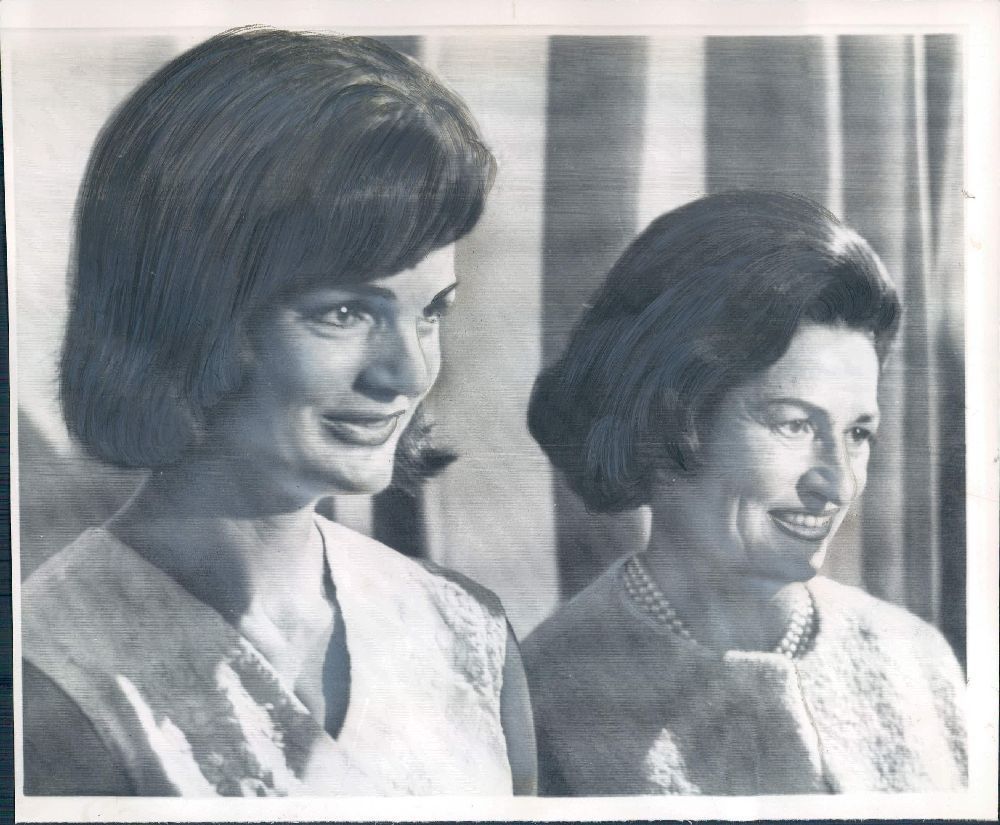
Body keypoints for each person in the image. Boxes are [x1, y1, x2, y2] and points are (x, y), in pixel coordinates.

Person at [21, 26, 536, 797]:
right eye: (343, 314)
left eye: (430, 312)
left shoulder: (467, 632)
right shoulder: (51, 681)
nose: (409, 371)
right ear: (190, 310)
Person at [523, 191, 966, 795]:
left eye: (858, 432)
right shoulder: (544, 694)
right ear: (671, 417)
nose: (837, 483)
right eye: (794, 425)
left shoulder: (919, 662)